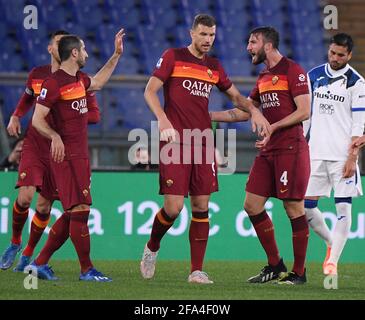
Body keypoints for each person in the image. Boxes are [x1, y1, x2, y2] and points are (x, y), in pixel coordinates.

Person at [140, 14, 270, 284]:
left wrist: (254, 111)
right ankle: (152, 247)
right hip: (174, 141)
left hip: (202, 142)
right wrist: (163, 120)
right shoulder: (173, 56)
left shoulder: (214, 66)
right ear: (192, 33)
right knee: (174, 208)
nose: (208, 40)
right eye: (203, 35)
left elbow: (234, 96)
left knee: (201, 206)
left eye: (211, 35)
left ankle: (196, 270)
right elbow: (150, 91)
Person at [211, 26, 311, 285]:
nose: (248, 47)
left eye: (252, 42)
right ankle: (276, 265)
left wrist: (273, 127)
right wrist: (208, 115)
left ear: (267, 45)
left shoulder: (293, 71)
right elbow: (245, 111)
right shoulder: (264, 77)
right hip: (268, 150)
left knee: (292, 207)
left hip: (291, 149)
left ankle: (299, 273)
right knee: (252, 204)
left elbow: (304, 111)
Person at [0, 31, 100, 272]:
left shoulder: (79, 79)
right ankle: (15, 242)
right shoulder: (38, 75)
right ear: (51, 48)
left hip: (60, 149)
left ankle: (29, 254)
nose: (60, 46)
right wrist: (15, 115)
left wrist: (72, 115)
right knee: (24, 198)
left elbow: (95, 114)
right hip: (36, 143)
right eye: (57, 42)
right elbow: (27, 100)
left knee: (44, 206)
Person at [30, 29, 124, 281]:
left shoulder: (80, 79)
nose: (86, 53)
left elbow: (100, 82)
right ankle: (86, 269)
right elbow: (37, 119)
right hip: (66, 156)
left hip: (79, 155)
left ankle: (39, 263)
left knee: (74, 211)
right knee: (80, 209)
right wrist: (55, 136)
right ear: (74, 53)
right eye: (83, 49)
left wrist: (116, 55)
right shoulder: (53, 82)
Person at [303, 33, 365, 276]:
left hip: (342, 156)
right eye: (332, 53)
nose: (335, 58)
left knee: (343, 209)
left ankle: (333, 262)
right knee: (306, 207)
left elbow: (358, 125)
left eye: (341, 55)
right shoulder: (314, 76)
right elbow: (305, 116)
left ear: (349, 55)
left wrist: (352, 157)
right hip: (314, 153)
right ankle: (331, 242)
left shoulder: (356, 83)